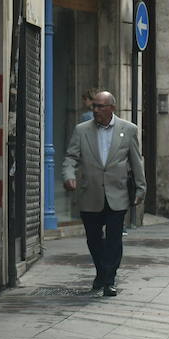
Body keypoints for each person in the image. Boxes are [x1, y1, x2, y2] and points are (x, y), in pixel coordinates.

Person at [62, 90, 145, 296]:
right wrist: (68, 174)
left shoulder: (129, 130)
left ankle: (109, 280)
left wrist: (141, 188)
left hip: (117, 194)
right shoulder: (82, 130)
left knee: (114, 239)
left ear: (112, 108)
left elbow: (136, 161)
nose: (95, 110)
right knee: (93, 239)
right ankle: (101, 272)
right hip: (90, 193)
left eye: (100, 106)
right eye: (94, 106)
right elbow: (71, 157)